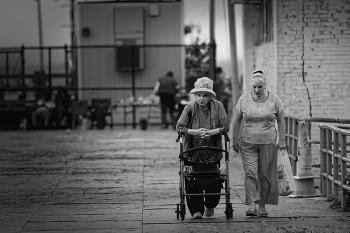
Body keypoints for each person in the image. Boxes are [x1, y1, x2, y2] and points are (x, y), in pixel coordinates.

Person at [232, 70, 286, 217]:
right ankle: (251, 206)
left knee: (264, 175)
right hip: (247, 142)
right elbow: (237, 120)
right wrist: (235, 138)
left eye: (260, 87)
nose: (257, 90)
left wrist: (282, 140)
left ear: (265, 86)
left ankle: (261, 206)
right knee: (250, 173)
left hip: (268, 142)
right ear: (251, 86)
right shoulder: (244, 99)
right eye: (254, 87)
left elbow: (281, 120)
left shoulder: (274, 99)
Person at [176, 77, 229, 219]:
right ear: (195, 95)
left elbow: (225, 126)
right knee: (193, 183)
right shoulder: (189, 108)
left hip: (213, 151)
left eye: (205, 95)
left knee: (213, 182)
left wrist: (212, 132)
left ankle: (210, 205)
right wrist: (195, 132)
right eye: (199, 95)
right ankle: (196, 211)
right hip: (192, 151)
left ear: (210, 96)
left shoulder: (218, 106)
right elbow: (179, 127)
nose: (201, 98)